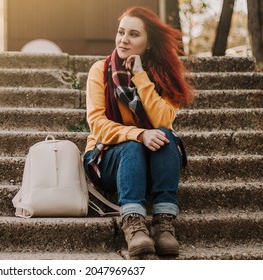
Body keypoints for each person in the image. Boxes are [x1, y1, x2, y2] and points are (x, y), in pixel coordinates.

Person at [83, 6, 194, 257]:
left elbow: (163, 120)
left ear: (149, 43)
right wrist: (139, 134)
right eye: (121, 32)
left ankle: (164, 223)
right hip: (106, 158)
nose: (124, 39)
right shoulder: (100, 71)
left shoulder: (164, 77)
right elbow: (97, 125)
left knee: (165, 136)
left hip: (152, 160)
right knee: (133, 144)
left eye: (134, 34)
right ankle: (134, 223)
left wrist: (141, 77)